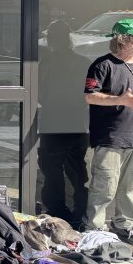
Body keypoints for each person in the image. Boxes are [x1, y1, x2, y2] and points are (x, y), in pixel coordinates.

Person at [82, 18, 133, 247]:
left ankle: (124, 226)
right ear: (123, 40)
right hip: (111, 137)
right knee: (104, 187)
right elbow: (90, 96)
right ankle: (94, 231)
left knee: (129, 188)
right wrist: (121, 100)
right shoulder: (102, 65)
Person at [37, 20, 90, 226]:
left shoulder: (48, 61)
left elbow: (40, 90)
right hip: (77, 122)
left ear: (52, 38)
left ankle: (58, 210)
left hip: (53, 121)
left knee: (52, 170)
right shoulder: (83, 61)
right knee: (77, 171)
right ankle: (81, 212)